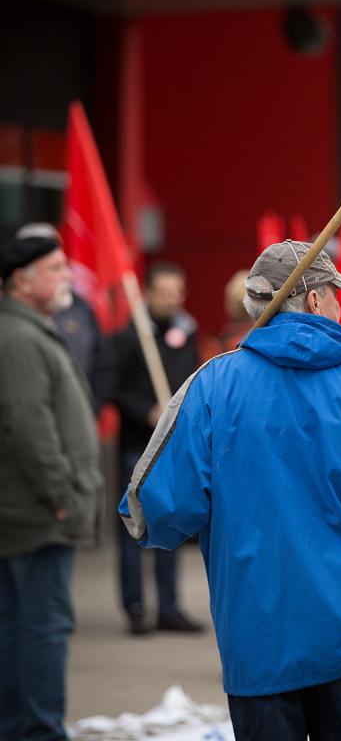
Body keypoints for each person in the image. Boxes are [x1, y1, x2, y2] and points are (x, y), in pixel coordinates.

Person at [119, 240, 341, 741]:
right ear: (315, 301)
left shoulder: (212, 386)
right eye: (335, 294)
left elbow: (153, 511)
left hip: (257, 639)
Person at [0, 234, 102, 741]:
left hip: (35, 513)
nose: (67, 275)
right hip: (38, 517)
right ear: (21, 280)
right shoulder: (18, 337)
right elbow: (27, 426)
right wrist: (63, 495)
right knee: (40, 631)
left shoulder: (28, 331)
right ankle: (36, 732)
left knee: (24, 628)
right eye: (55, 267)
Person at [113, 261, 204, 635]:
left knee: (170, 522)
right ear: (149, 293)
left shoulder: (187, 331)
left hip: (172, 448)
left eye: (177, 293)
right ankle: (136, 607)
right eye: (165, 293)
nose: (172, 300)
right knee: (132, 529)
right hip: (137, 445)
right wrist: (146, 411)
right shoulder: (129, 336)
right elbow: (114, 390)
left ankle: (169, 607)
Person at [15, 222, 114, 414]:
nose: (65, 274)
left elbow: (104, 365)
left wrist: (88, 410)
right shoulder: (8, 317)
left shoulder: (81, 308)